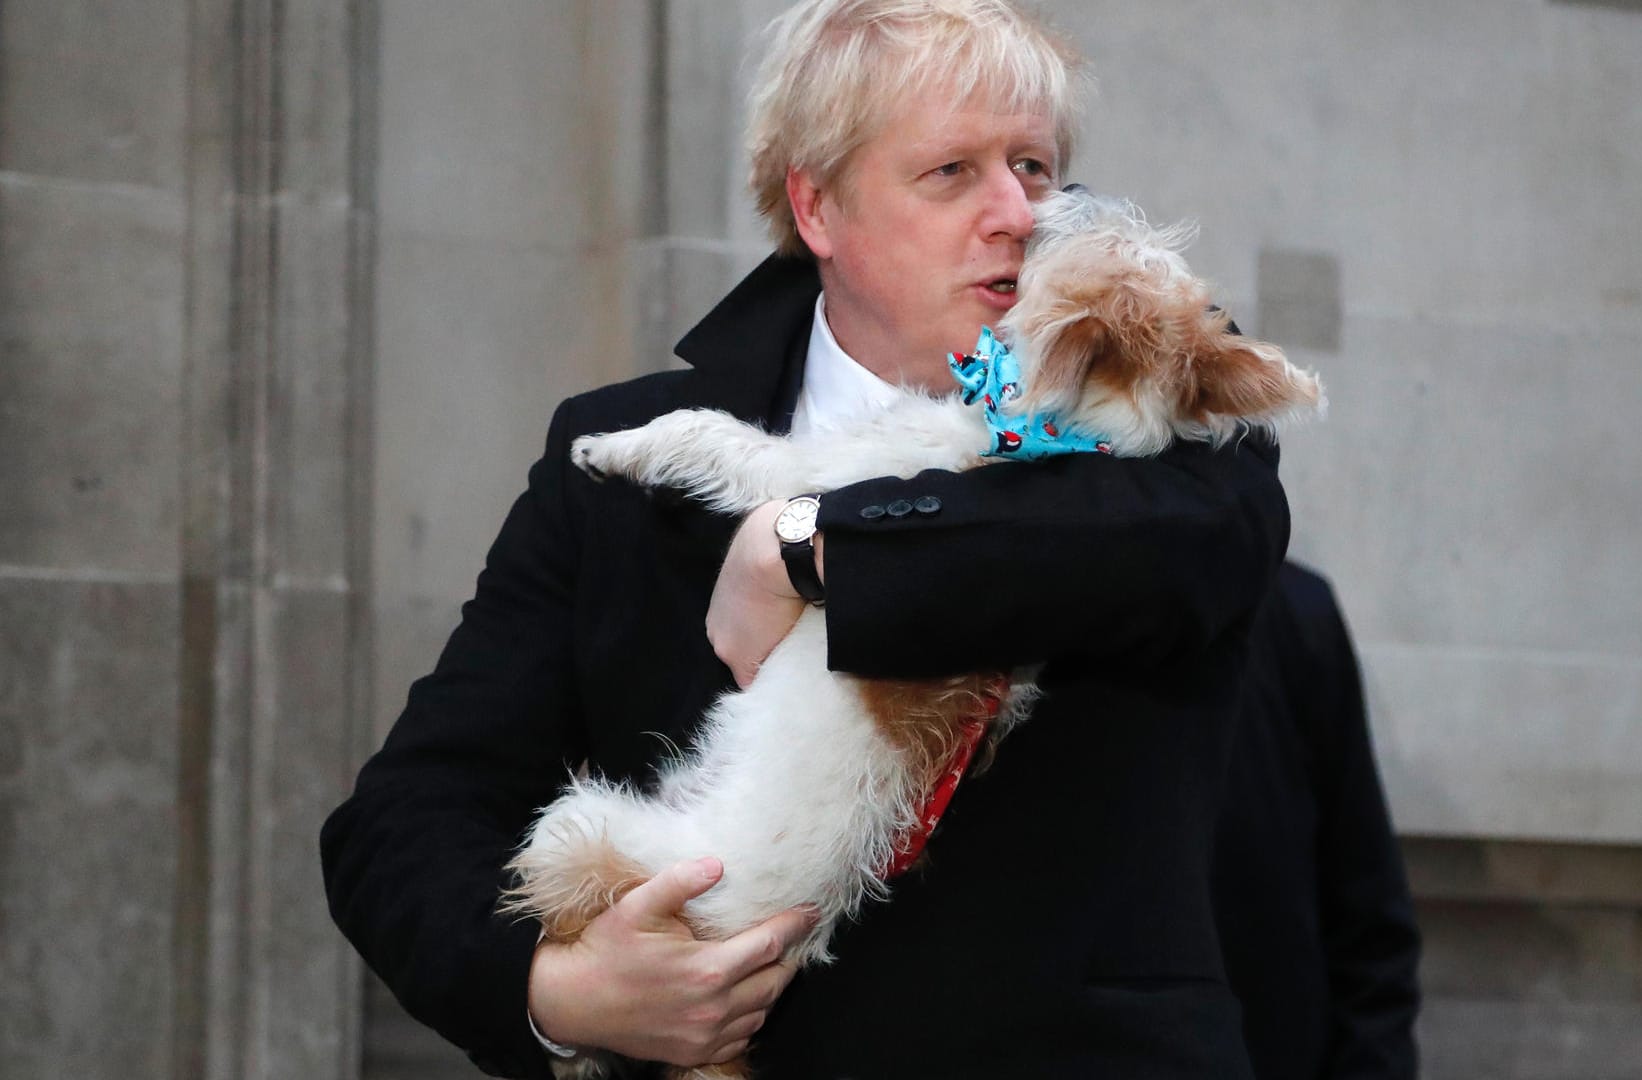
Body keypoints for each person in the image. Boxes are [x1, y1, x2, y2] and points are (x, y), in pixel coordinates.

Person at [320, 1, 1419, 1077]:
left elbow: (1151, 548)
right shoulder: (618, 453)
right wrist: (561, 996)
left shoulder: (1166, 418)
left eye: (1033, 167)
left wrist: (804, 544)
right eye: (953, 173)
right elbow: (403, 822)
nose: (1019, 212)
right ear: (818, 210)